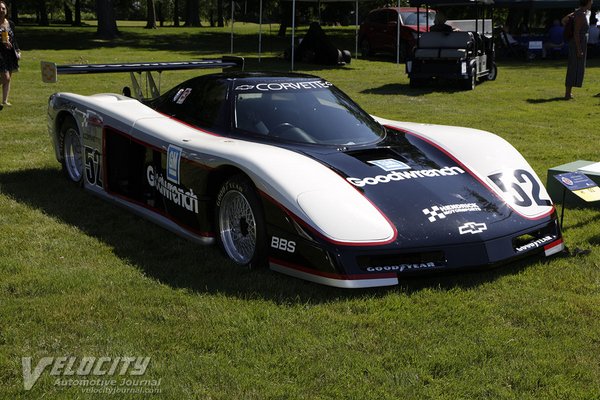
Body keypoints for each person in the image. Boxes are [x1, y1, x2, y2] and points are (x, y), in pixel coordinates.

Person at [563, 0, 593, 100]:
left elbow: (564, 20)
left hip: (580, 42)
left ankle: (569, 93)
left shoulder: (580, 12)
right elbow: (576, 33)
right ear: (587, 2)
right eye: (591, 2)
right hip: (577, 43)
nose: (592, 4)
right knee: (573, 67)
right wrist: (579, 49)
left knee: (576, 67)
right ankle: (567, 93)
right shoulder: (580, 14)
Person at [0, 0, 20, 108]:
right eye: (0, 8)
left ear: (6, 10)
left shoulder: (10, 23)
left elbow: (14, 39)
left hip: (10, 53)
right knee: (5, 77)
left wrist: (17, 50)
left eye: (3, 8)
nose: (1, 10)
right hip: (0, 54)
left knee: (9, 77)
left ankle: (4, 101)